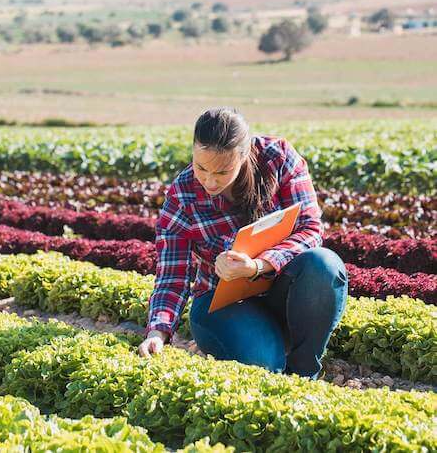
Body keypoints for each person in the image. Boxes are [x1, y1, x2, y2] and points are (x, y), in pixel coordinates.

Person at [138, 107, 348, 379]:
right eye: (201, 167)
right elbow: (172, 274)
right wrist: (158, 331)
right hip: (220, 303)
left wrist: (260, 265)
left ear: (244, 154)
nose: (210, 181)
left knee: (324, 265)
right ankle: (265, 346)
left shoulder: (279, 159)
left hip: (282, 290)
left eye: (223, 172)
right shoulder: (183, 194)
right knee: (265, 365)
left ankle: (304, 370)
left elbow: (310, 229)